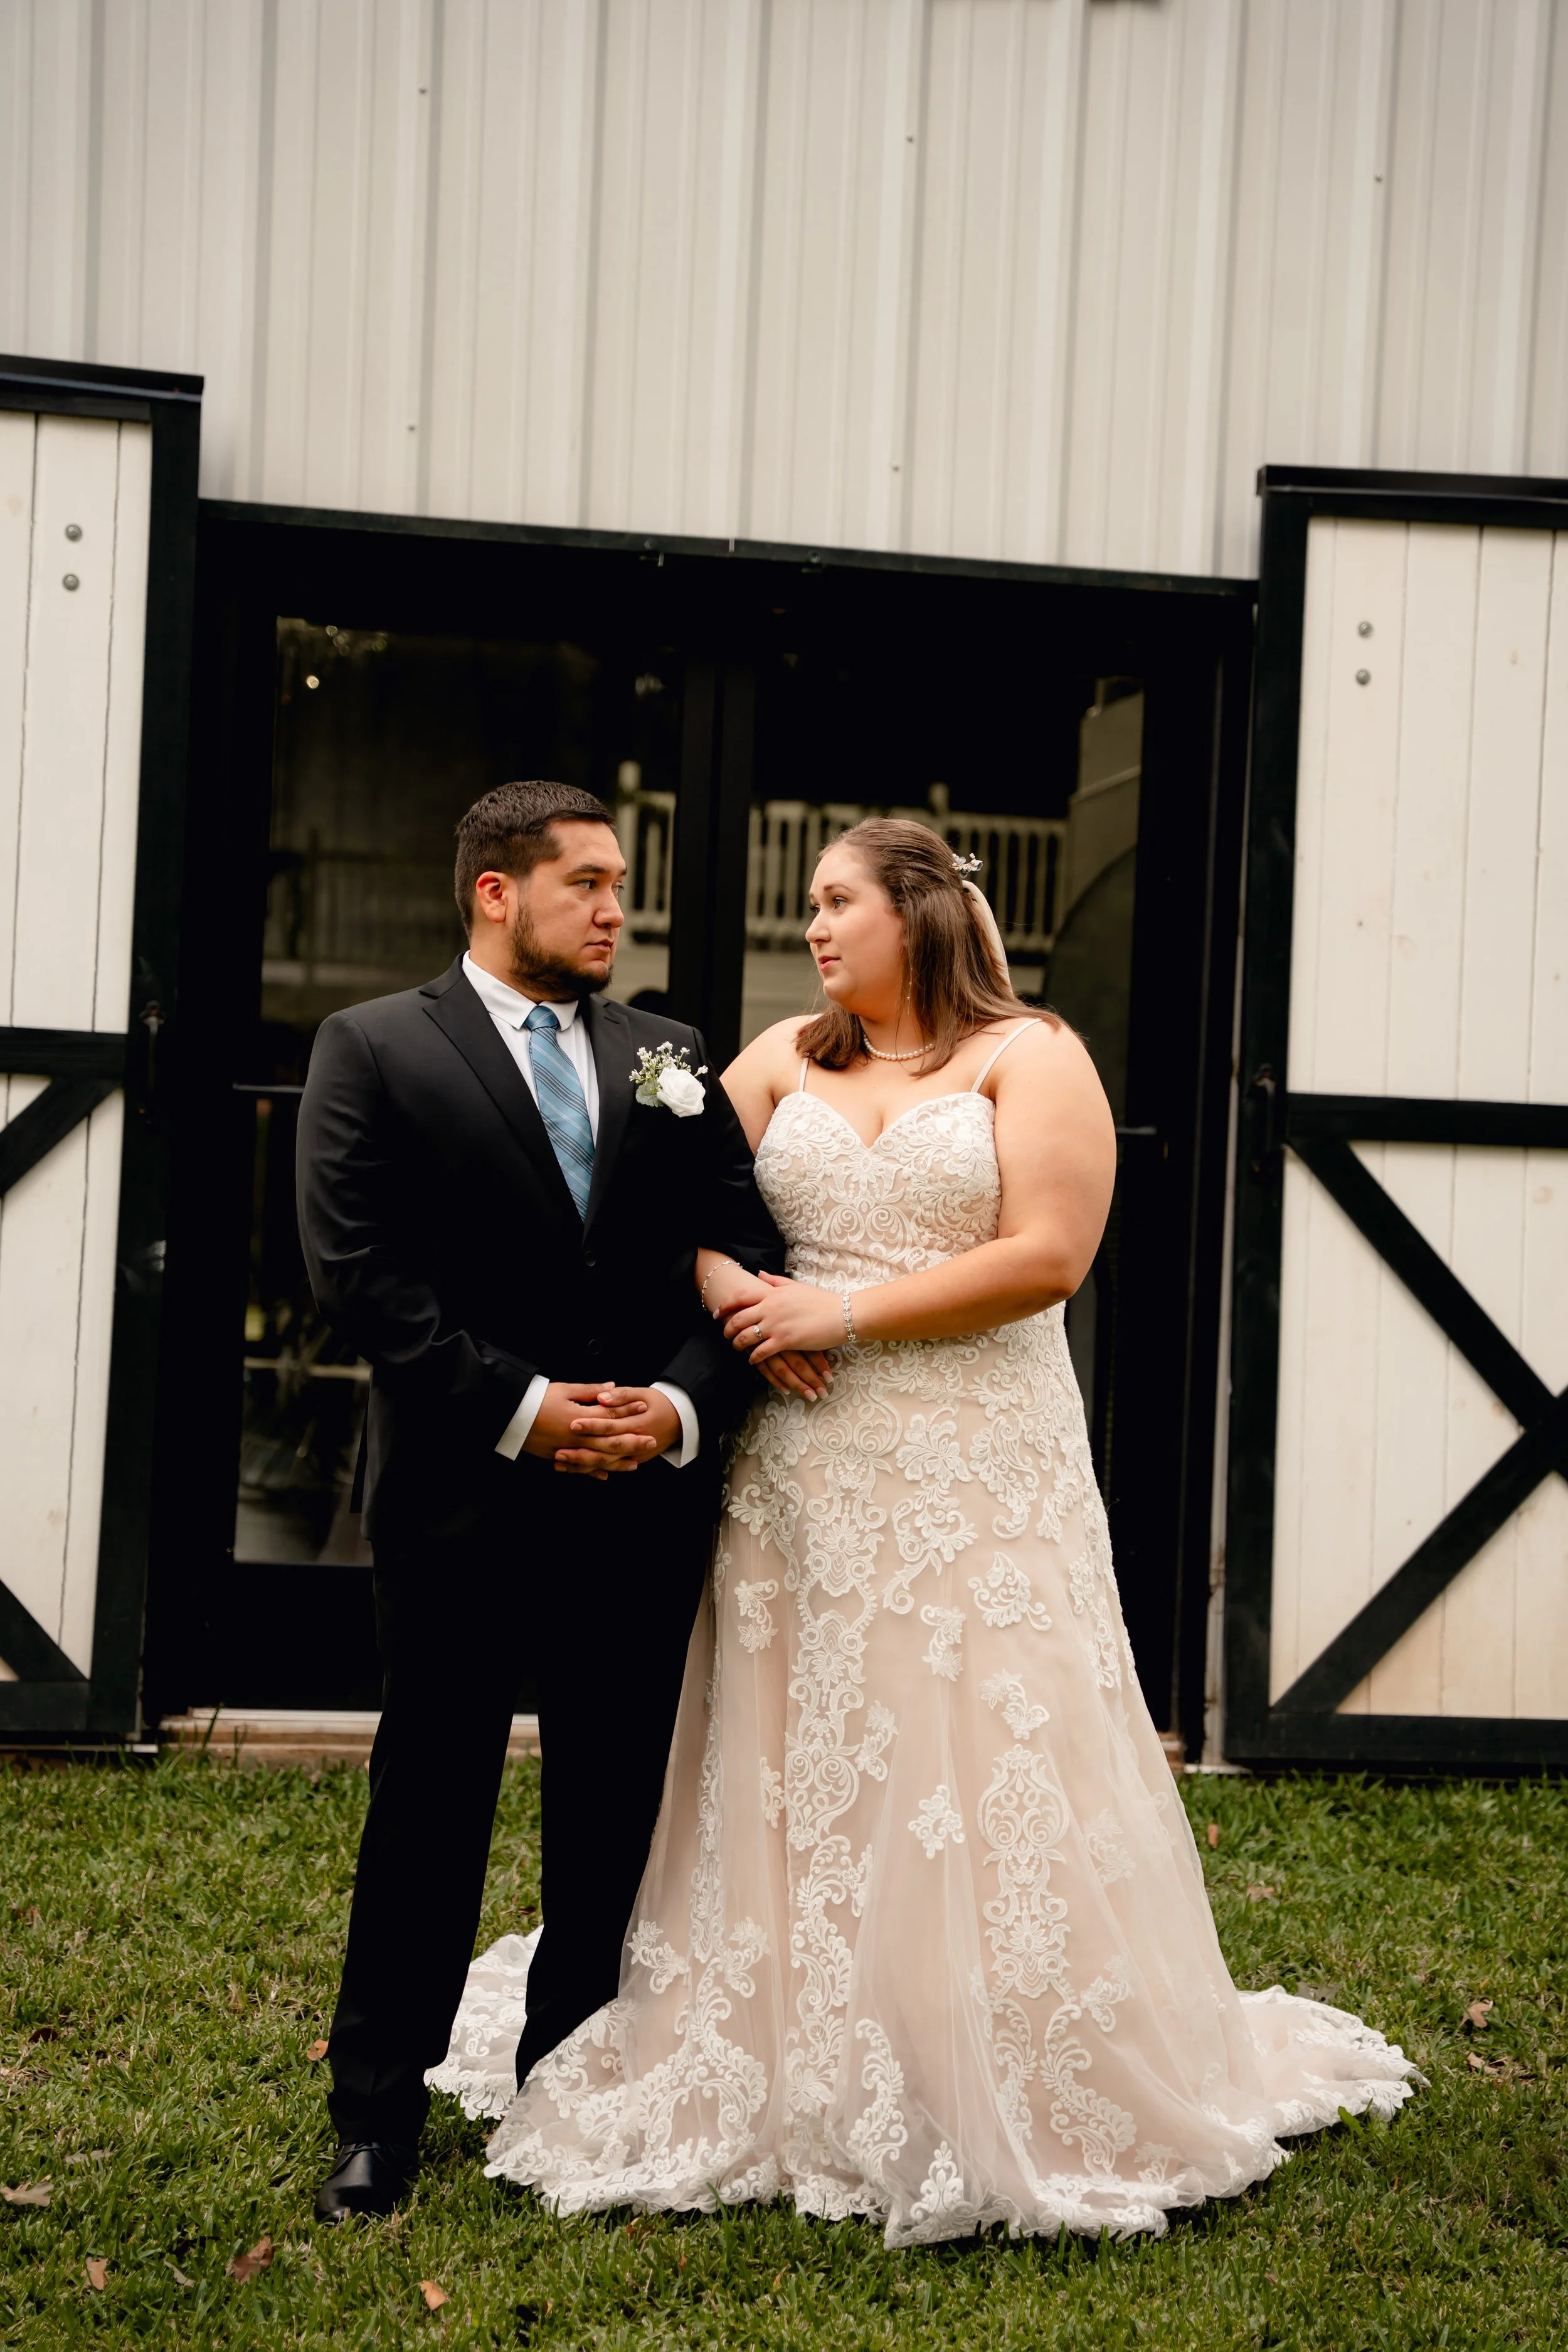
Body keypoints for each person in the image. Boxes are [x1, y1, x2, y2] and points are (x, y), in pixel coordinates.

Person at [433, 815, 1418, 2243]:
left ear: (917, 912)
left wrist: (829, 1309)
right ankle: (796, 2023)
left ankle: (993, 2035)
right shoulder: (779, 1059)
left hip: (977, 1458)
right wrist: (734, 1301)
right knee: (810, 1738)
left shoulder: (1030, 1057)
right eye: (817, 907)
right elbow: (684, 1210)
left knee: (980, 1736)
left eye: (839, 903)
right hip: (804, 1466)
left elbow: (1045, 1258)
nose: (816, 927)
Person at [296, 780, 813, 2222]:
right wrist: (527, 1413)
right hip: (463, 1494)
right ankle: (374, 2117)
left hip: (639, 1499)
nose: (612, 908)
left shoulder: (667, 1052)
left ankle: (567, 2089)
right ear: (493, 892)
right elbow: (359, 1276)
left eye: (617, 886)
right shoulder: (375, 1048)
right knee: (431, 1798)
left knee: (611, 1807)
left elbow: (742, 1238)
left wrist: (677, 1404)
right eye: (583, 883)